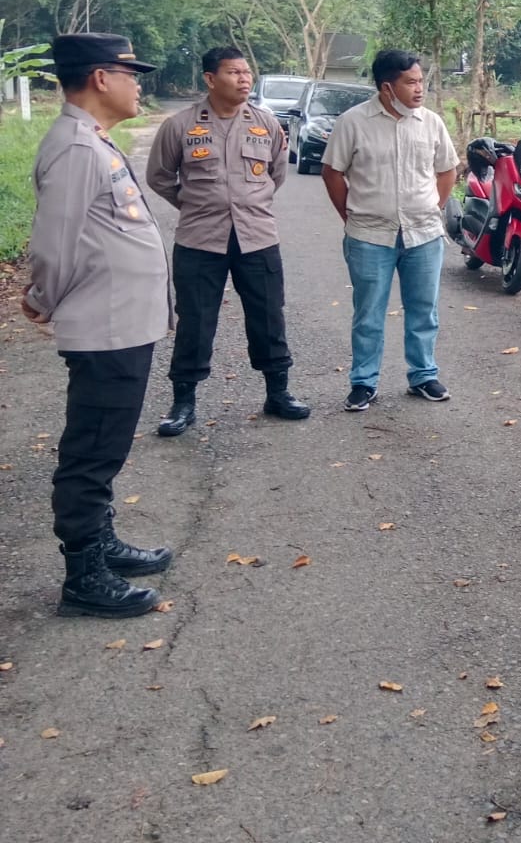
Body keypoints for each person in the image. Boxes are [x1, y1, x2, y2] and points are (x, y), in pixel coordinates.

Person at [22, 33, 174, 618]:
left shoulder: (93, 142)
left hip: (124, 325)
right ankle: (83, 574)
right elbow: (54, 243)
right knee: (91, 450)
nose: (140, 83)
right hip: (104, 325)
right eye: (131, 73)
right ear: (101, 78)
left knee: (104, 447)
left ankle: (100, 542)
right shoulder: (77, 148)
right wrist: (42, 298)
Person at [146, 46, 310, 436]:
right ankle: (183, 403)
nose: (244, 79)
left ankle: (278, 393)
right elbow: (159, 177)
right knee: (196, 322)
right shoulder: (180, 125)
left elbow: (276, 174)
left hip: (257, 237)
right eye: (234, 72)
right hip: (200, 239)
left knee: (269, 316)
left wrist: (248, 203)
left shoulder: (267, 124)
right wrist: (195, 204)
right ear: (209, 79)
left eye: (246, 72)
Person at [320, 49, 460, 411]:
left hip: (423, 235)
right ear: (387, 87)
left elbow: (447, 170)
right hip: (370, 235)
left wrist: (434, 207)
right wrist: (349, 216)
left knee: (423, 310)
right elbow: (332, 172)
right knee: (368, 313)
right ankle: (364, 383)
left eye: (421, 81)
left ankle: (423, 375)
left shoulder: (429, 122)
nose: (419, 89)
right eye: (410, 82)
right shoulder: (353, 122)